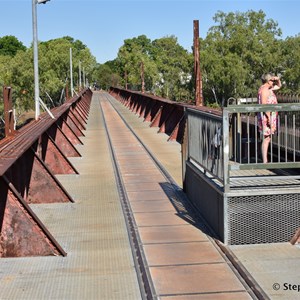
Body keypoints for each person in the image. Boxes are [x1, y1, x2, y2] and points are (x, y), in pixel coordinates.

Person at [257, 73, 281, 163]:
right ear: (267, 80)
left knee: (268, 138)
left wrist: (277, 79)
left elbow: (279, 86)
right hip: (267, 117)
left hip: (270, 116)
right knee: (266, 138)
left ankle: (265, 160)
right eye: (271, 80)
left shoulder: (268, 88)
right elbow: (264, 105)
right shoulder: (264, 89)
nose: (273, 82)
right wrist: (269, 119)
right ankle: (265, 161)